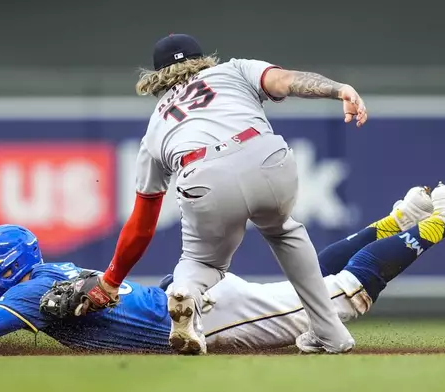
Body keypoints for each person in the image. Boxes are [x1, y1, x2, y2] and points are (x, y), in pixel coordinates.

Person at [0, 183, 445, 356]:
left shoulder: (26, 290)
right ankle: (397, 218)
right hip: (190, 301)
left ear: (11, 264)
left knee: (339, 301)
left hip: (203, 318)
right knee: (307, 289)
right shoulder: (47, 276)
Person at [76, 33, 368, 355]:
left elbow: (142, 224)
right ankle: (330, 333)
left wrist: (112, 280)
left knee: (201, 262)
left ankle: (186, 290)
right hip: (266, 157)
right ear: (202, 59)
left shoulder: (155, 127)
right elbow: (287, 81)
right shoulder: (233, 70)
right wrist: (338, 89)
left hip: (202, 175)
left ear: (156, 77)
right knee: (285, 232)